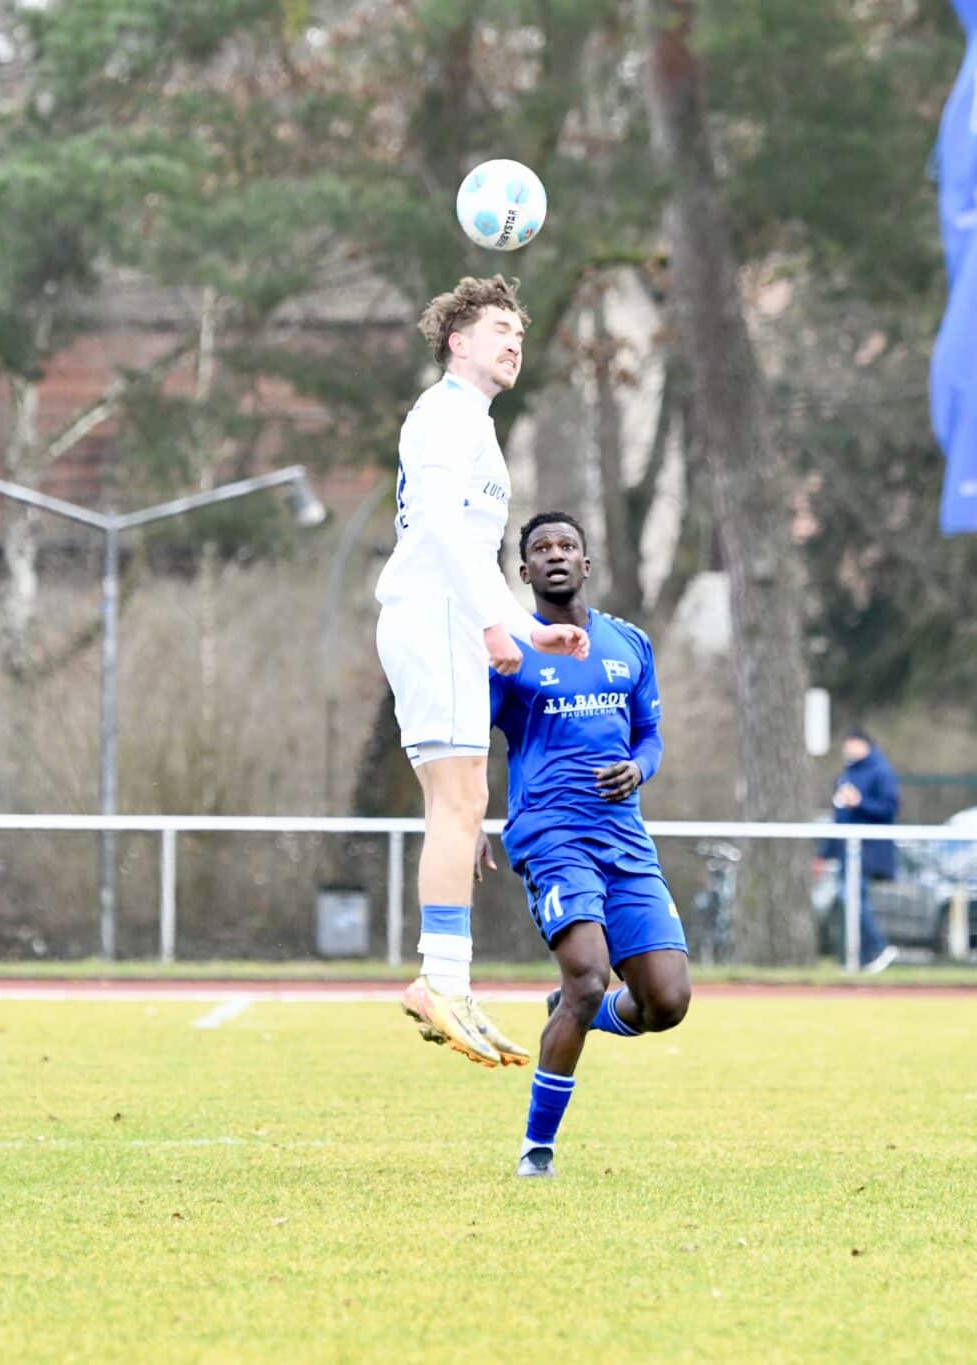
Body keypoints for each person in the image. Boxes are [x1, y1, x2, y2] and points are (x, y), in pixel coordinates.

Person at [375, 276, 590, 1069]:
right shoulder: (443, 414)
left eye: (521, 333)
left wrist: (531, 630)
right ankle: (442, 981)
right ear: (457, 341)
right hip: (436, 620)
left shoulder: (474, 423)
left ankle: (448, 980)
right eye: (499, 327)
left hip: (448, 619)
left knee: (461, 801)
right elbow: (434, 528)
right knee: (460, 801)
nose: (513, 342)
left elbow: (474, 548)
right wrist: (497, 624)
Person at [487, 511, 690, 1179]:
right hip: (551, 834)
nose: (554, 555)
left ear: (586, 564)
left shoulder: (628, 643)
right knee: (585, 973)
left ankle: (591, 1012)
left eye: (566, 545)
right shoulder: (511, 648)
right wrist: (466, 819)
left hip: (623, 838)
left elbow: (650, 736)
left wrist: (641, 768)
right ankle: (536, 1149)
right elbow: (468, 739)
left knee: (667, 1000)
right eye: (540, 548)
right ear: (524, 572)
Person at [824, 729, 900, 973]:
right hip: (847, 849)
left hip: (869, 848)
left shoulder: (881, 771)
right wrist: (825, 853)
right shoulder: (846, 775)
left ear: (866, 745)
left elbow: (889, 808)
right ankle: (861, 956)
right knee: (851, 899)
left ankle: (877, 948)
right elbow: (840, 818)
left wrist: (860, 802)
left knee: (852, 897)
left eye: (853, 743)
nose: (848, 748)